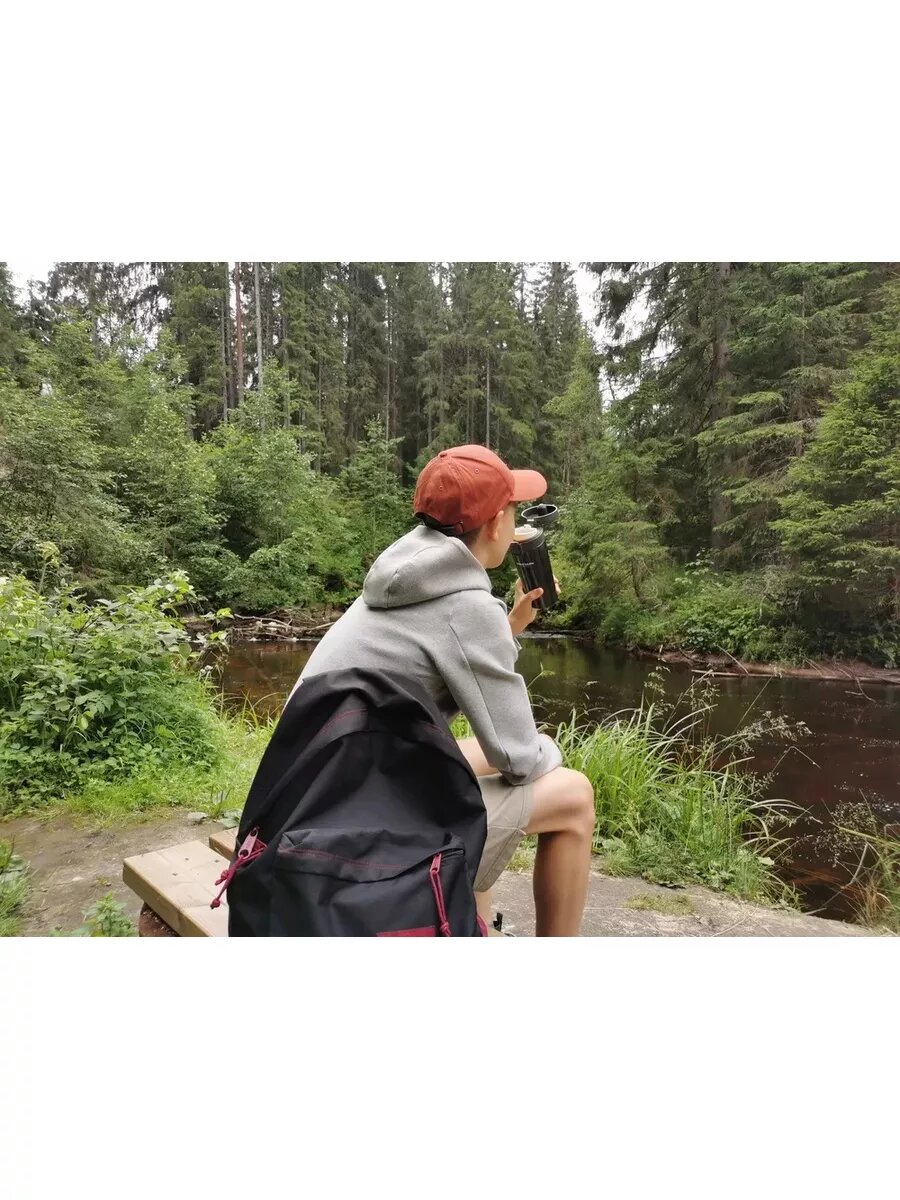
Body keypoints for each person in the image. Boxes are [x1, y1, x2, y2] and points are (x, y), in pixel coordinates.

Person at [291, 445, 595, 936]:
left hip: (310, 791)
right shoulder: (466, 607)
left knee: (466, 760)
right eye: (513, 510)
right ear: (495, 524)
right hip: (355, 829)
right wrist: (546, 749)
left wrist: (510, 626)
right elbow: (518, 758)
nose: (516, 522)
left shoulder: (405, 572)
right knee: (574, 794)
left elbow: (442, 648)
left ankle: (469, 926)